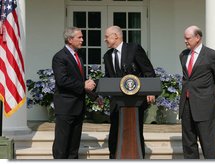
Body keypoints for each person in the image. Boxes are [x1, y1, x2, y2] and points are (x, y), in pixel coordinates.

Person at [103, 25, 156, 159]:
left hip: (135, 101)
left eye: (107, 36)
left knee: (135, 132)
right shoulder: (107, 56)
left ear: (116, 36)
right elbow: (109, 78)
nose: (105, 40)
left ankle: (138, 158)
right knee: (114, 133)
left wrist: (151, 91)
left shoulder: (134, 49)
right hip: (117, 101)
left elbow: (148, 70)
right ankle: (114, 158)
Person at [179, 25, 215, 159]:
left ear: (198, 38)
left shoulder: (211, 55)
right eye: (184, 38)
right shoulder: (183, 55)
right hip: (186, 105)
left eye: (188, 38)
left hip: (204, 106)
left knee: (208, 144)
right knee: (188, 144)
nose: (185, 41)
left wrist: (207, 96)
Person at [52, 27, 98, 159]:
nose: (82, 40)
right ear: (70, 39)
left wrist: (94, 96)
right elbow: (62, 81)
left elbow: (79, 80)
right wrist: (83, 84)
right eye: (80, 37)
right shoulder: (60, 57)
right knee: (62, 145)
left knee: (74, 146)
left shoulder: (79, 56)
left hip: (78, 106)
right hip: (65, 107)